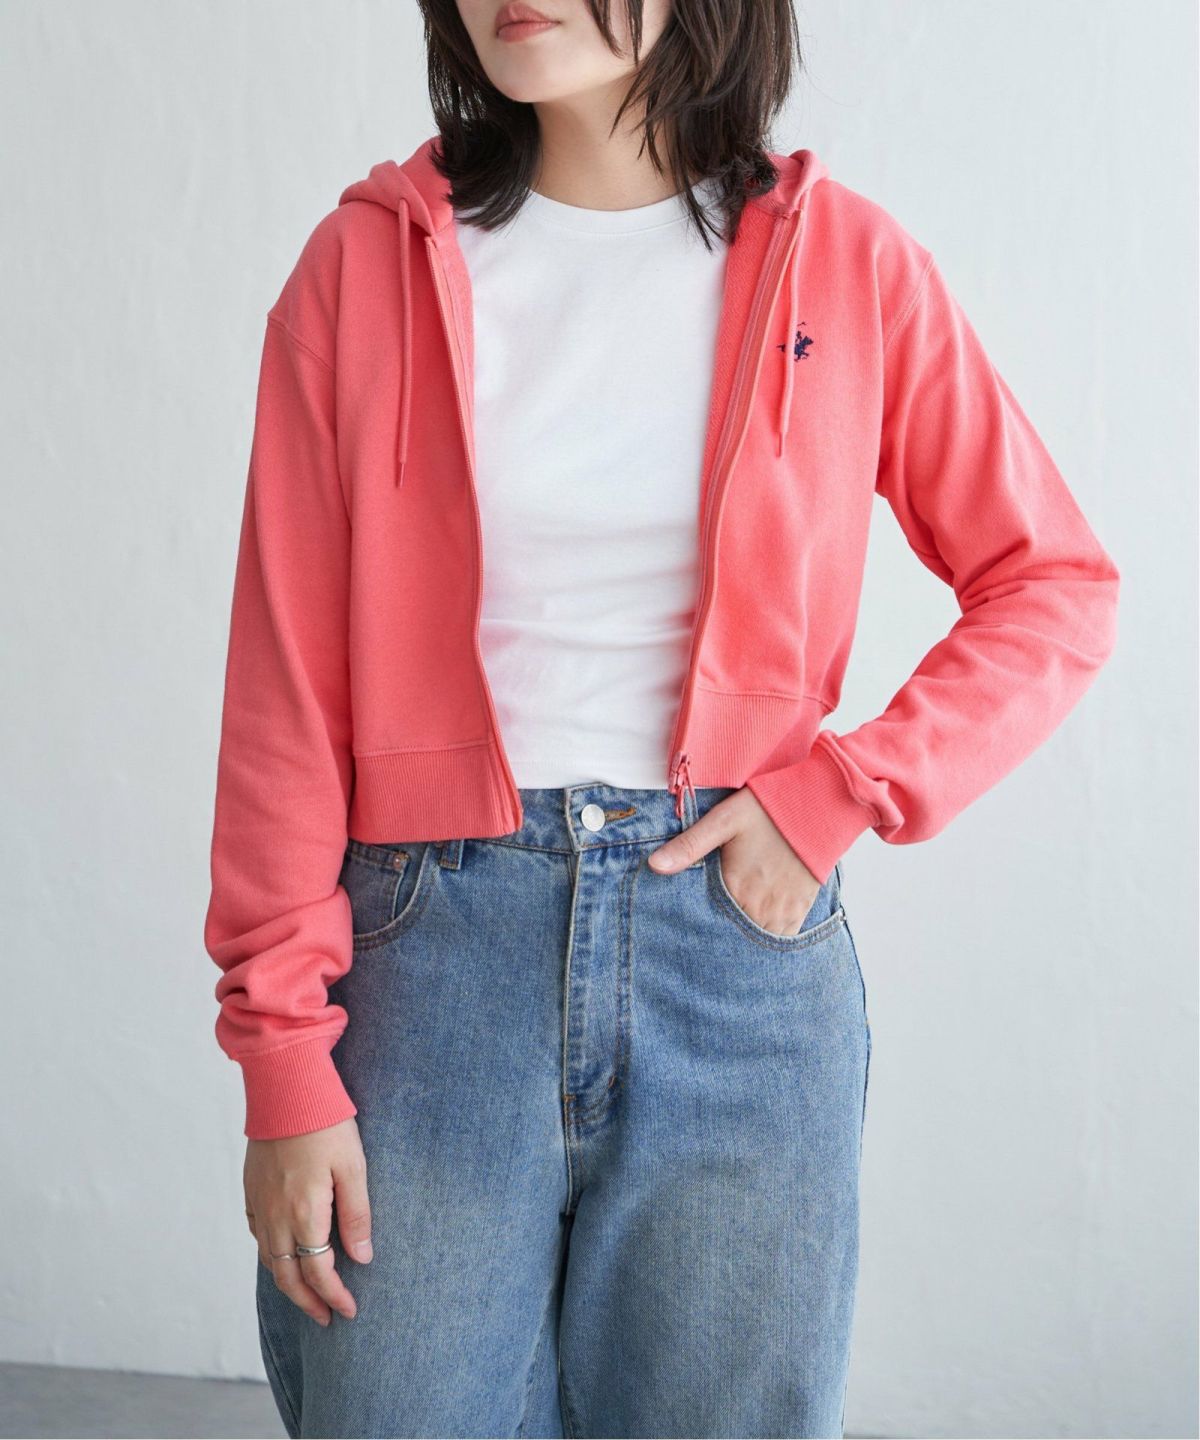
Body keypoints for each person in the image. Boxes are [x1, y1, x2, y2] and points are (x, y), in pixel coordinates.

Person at [202, 2, 1121, 1436]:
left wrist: (840, 793)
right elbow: (284, 688)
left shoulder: (848, 264)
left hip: (734, 967)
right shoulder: (361, 268)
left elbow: (1052, 584)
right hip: (428, 961)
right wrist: (281, 1061)